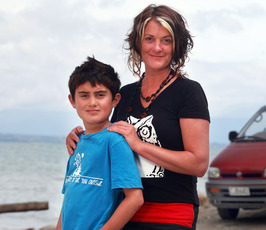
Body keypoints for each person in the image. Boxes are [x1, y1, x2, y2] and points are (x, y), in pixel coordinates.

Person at [66, 4, 210, 230]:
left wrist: (139, 145)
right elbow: (109, 139)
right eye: (149, 39)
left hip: (171, 214)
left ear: (177, 46)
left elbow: (199, 164)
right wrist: (81, 137)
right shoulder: (125, 94)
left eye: (166, 40)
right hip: (122, 213)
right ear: (138, 43)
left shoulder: (188, 92)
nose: (157, 48)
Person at [58, 57, 144, 230]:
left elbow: (135, 199)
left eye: (100, 95)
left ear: (115, 100)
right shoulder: (77, 142)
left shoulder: (114, 141)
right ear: (72, 100)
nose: (92, 103)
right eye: (84, 95)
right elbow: (68, 200)